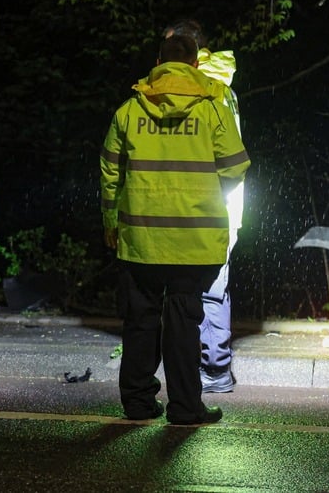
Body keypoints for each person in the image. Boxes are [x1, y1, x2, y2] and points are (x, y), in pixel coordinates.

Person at [100, 33, 250, 425]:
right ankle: (185, 407)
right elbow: (235, 167)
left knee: (140, 320)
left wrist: (110, 222)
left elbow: (109, 173)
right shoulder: (213, 109)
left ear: (159, 62)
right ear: (195, 64)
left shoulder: (129, 111)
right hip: (194, 238)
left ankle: (137, 402)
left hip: (141, 238)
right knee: (184, 321)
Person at [163, 20, 243, 394]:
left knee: (205, 290)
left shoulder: (203, 91)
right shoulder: (219, 87)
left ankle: (212, 370)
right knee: (208, 290)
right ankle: (211, 369)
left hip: (206, 207)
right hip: (215, 204)